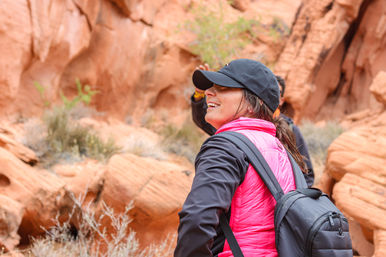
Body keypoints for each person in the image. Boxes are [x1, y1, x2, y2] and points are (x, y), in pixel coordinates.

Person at [174, 59, 307, 257]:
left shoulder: (226, 146)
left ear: (253, 103)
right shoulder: (281, 149)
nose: (209, 92)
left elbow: (197, 219)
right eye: (211, 87)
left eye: (223, 87)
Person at [190, 65, 314, 187]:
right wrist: (199, 95)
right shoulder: (235, 128)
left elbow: (306, 173)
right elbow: (203, 122)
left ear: (281, 99)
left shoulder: (290, 129)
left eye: (277, 92)